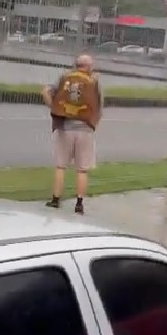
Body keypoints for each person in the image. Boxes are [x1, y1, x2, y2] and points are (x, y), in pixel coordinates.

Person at [41, 54, 103, 215]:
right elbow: (99, 105)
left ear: (76, 65)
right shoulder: (94, 81)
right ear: (89, 67)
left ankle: (55, 200)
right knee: (82, 169)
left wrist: (54, 108)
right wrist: (93, 121)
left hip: (65, 127)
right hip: (86, 130)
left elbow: (46, 91)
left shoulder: (65, 77)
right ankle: (79, 204)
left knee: (61, 165)